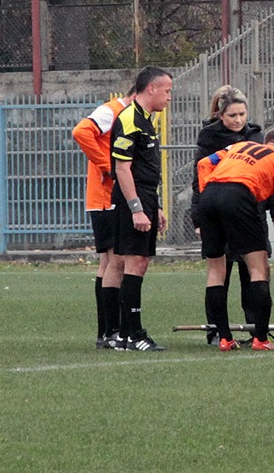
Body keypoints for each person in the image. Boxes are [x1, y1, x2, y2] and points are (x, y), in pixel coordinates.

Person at [190, 85, 274, 345]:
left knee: (216, 270)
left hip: (213, 197)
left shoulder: (246, 142)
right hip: (240, 199)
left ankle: (225, 338)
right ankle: (260, 338)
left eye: (242, 114)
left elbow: (204, 165)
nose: (239, 120)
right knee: (258, 267)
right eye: (233, 115)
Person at [109, 66, 174, 351]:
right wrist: (136, 208)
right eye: (167, 91)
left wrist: (155, 207)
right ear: (151, 89)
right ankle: (130, 334)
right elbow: (122, 169)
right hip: (131, 199)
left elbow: (146, 169)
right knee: (133, 262)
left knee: (140, 262)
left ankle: (128, 332)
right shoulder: (129, 119)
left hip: (146, 197)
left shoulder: (146, 119)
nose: (169, 97)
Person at [72, 85, 135, 348]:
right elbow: (80, 131)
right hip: (106, 198)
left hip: (107, 198)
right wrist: (107, 165)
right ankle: (112, 331)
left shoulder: (128, 115)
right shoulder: (113, 111)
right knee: (115, 261)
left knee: (108, 262)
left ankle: (106, 331)